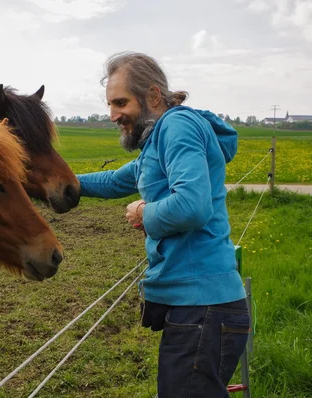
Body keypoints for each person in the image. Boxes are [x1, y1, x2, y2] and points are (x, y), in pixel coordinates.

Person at [76, 51, 250, 397]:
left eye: (120, 102)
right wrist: (42, 182)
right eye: (110, 104)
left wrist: (144, 214)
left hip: (203, 308)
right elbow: (113, 181)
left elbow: (192, 206)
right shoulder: (158, 141)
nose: (113, 115)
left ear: (153, 96)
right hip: (201, 309)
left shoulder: (177, 126)